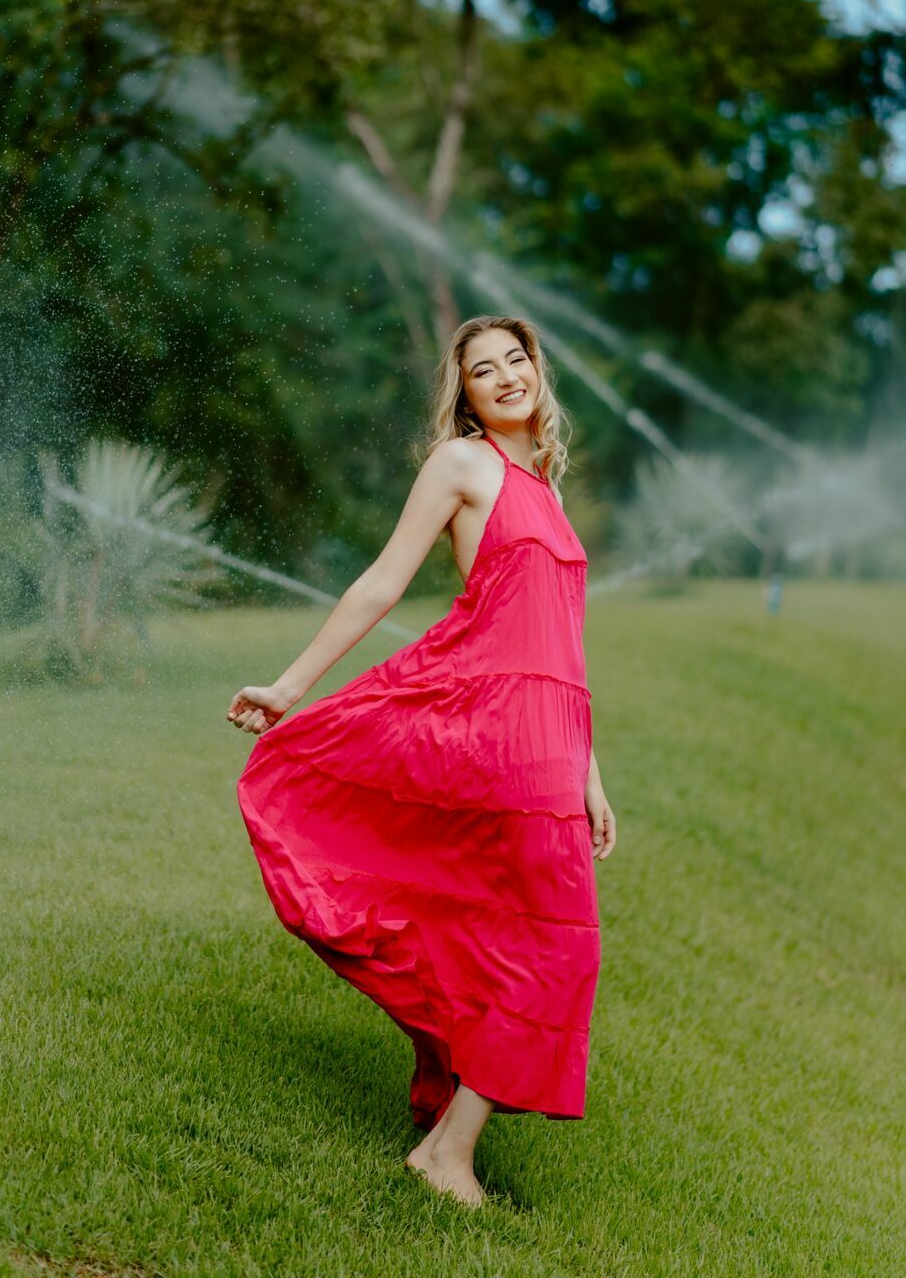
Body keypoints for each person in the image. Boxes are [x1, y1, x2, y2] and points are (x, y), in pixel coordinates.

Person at [226, 314, 616, 1209]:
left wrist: (590, 775)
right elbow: (381, 579)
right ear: (467, 395)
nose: (506, 376)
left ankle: (448, 1132)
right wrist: (290, 685)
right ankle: (447, 1155)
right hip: (488, 725)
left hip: (549, 745)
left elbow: (566, 649)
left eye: (516, 359)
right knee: (558, 948)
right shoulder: (462, 465)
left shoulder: (545, 484)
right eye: (484, 370)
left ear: (536, 372)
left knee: (522, 933)